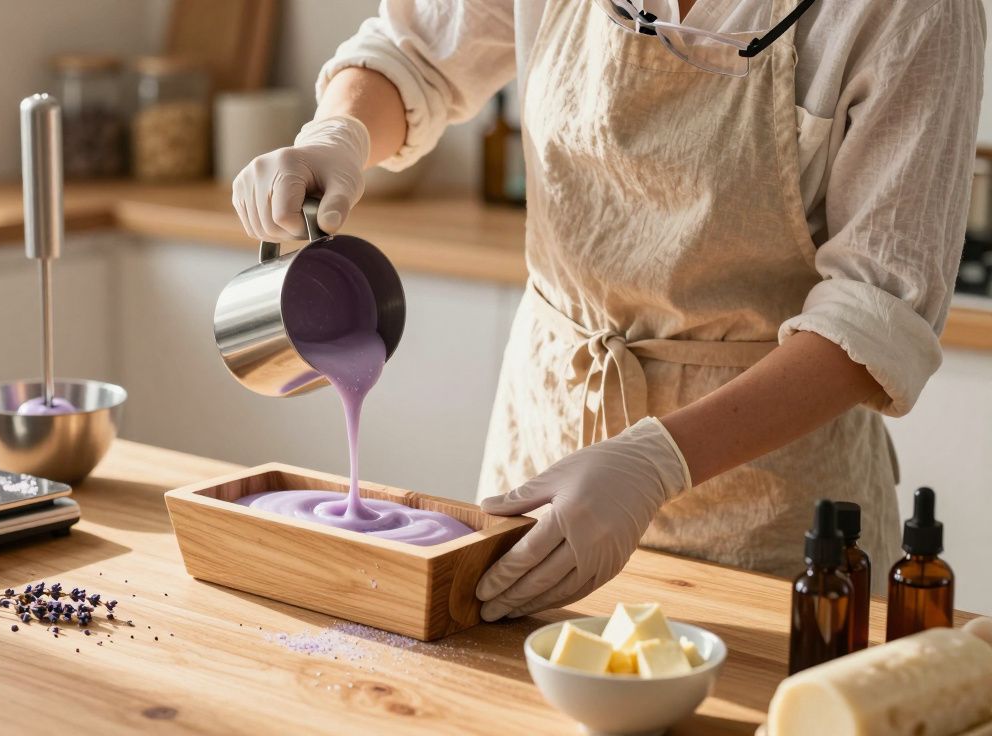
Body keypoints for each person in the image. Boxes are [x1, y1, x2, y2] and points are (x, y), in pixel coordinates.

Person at [231, 0, 985, 621]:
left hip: (773, 518)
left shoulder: (915, 11)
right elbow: (414, 51)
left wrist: (656, 462)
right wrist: (340, 133)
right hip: (544, 456)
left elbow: (875, 312)